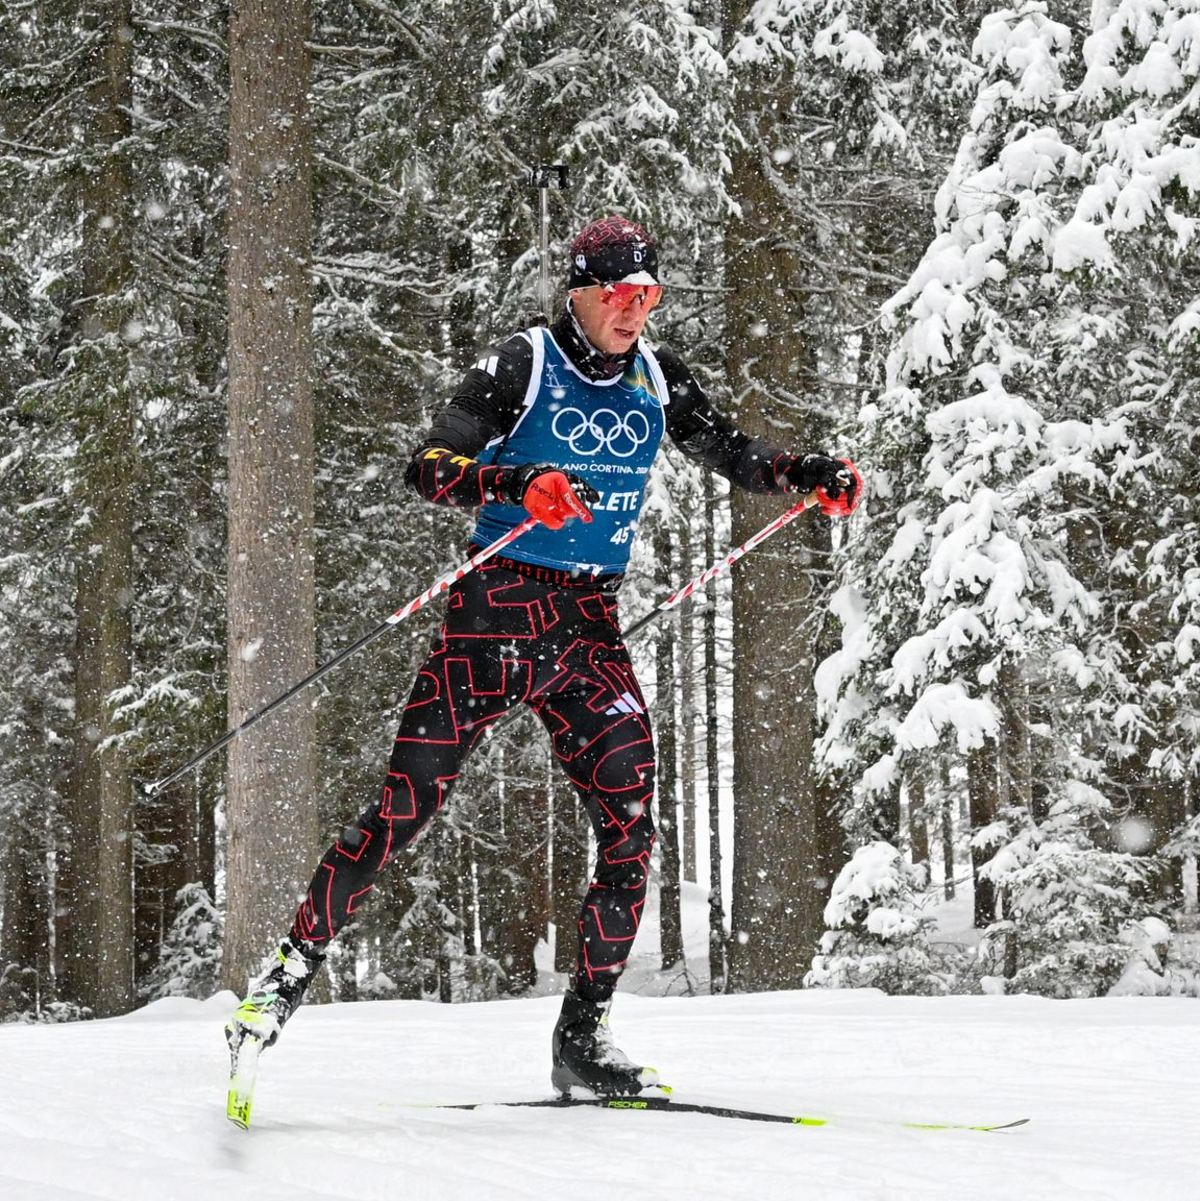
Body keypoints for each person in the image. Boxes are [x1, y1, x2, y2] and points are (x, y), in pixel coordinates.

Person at [227, 215, 862, 1099]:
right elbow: (429, 466)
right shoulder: (521, 364)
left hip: (584, 627)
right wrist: (514, 483)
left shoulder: (655, 373)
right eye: (620, 295)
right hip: (492, 617)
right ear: (580, 291)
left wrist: (804, 471)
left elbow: (729, 449)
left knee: (631, 826)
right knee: (398, 814)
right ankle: (275, 989)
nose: (635, 311)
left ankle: (583, 1035)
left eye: (650, 296)